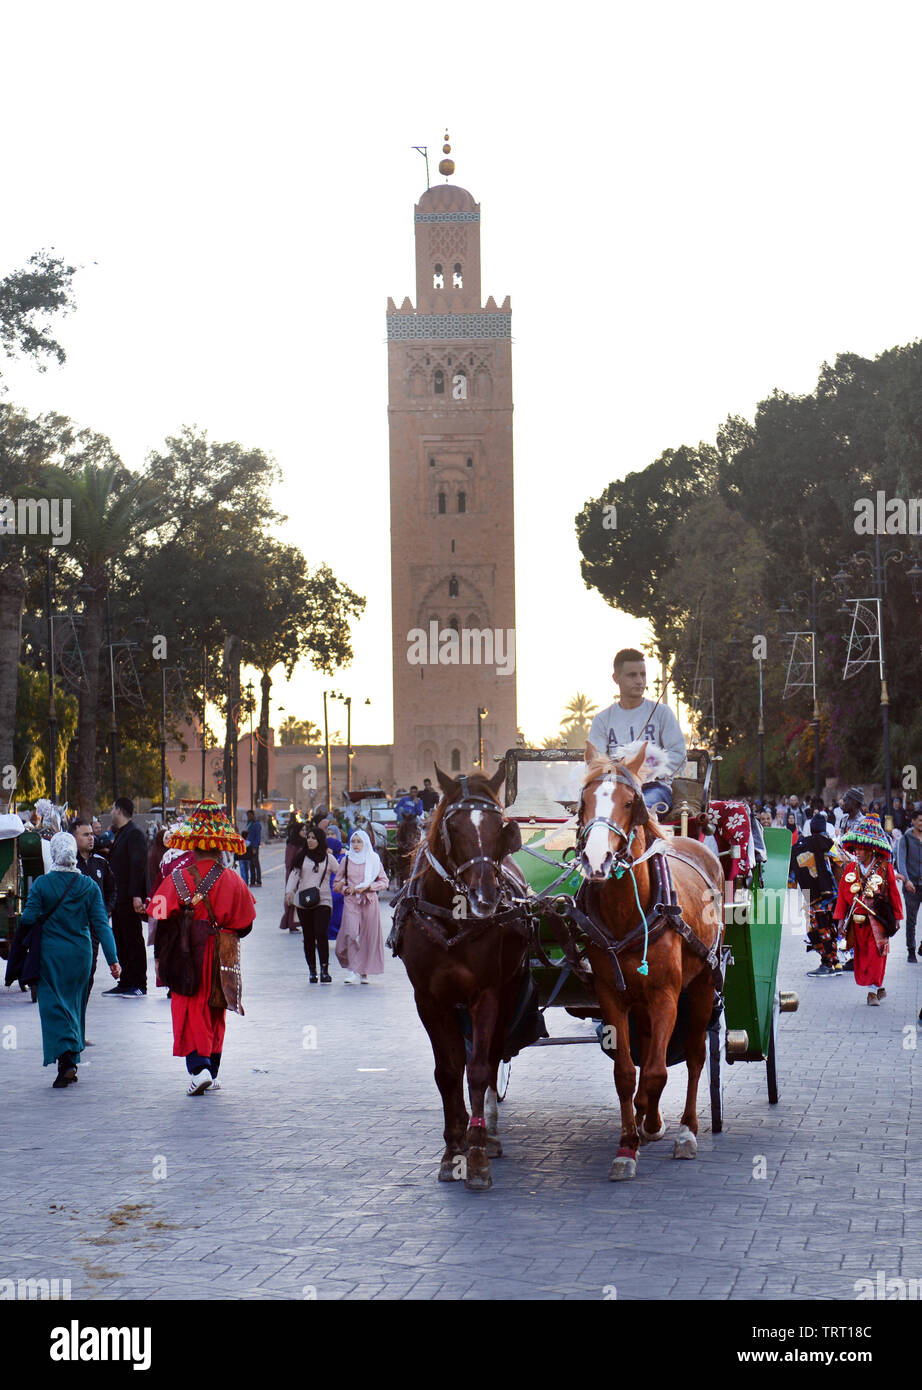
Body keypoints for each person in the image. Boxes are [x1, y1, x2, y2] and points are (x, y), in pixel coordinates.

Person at [150, 801, 256, 1094]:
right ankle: (212, 1068)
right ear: (221, 847)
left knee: (189, 1007)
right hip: (222, 952)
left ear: (192, 846)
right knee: (216, 1008)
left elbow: (158, 913)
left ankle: (199, 1069)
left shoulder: (176, 878)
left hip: (186, 951)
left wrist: (159, 956)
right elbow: (246, 924)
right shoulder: (233, 879)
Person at [5, 832, 120, 1087]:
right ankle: (71, 1058)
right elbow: (101, 924)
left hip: (51, 955)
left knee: (52, 1006)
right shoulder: (89, 886)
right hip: (81, 954)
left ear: (54, 854)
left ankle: (66, 1060)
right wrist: (113, 959)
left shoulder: (43, 885)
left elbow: (28, 918)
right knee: (74, 1005)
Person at [586, 648, 687, 815]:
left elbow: (678, 754)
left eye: (643, 674)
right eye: (632, 675)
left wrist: (649, 773)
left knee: (641, 809)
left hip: (654, 787)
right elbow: (596, 761)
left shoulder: (662, 713)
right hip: (614, 787)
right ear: (616, 678)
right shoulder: (602, 719)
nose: (640, 680)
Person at [833, 816, 903, 1006]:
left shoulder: (884, 868)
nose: (857, 851)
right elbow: (842, 897)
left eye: (861, 848)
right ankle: (877, 985)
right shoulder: (850, 868)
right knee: (863, 957)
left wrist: (897, 916)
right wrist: (840, 920)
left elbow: (893, 893)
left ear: (871, 849)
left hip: (878, 920)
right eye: (855, 847)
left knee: (877, 954)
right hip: (857, 923)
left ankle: (872, 992)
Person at [105, 797, 150, 997]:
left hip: (129, 898)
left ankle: (139, 983)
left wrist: (136, 895)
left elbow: (137, 866)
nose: (111, 812)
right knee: (120, 939)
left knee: (133, 940)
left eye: (113, 808)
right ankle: (126, 981)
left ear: (120, 811)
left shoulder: (134, 834)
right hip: (119, 899)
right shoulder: (122, 834)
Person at [333, 828, 387, 984]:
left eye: (359, 841)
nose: (356, 845)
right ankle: (352, 969)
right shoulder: (347, 860)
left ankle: (364, 971)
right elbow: (336, 883)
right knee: (351, 933)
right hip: (351, 901)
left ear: (366, 843)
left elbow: (384, 881)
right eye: (353, 841)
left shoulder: (374, 859)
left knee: (366, 936)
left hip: (369, 901)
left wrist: (369, 887)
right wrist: (345, 889)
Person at [285, 826, 338, 982]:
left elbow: (340, 872)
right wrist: (289, 892)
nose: (310, 840)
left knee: (321, 934)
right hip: (304, 902)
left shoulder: (329, 859)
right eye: (308, 837)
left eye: (314, 838)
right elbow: (294, 876)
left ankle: (324, 970)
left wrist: (342, 885)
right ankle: (312, 971)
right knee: (308, 937)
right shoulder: (301, 857)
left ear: (320, 840)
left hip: (324, 900)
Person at [792, 814, 842, 976]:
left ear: (812, 829)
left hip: (814, 896)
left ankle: (827, 963)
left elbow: (792, 876)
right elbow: (840, 859)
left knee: (817, 929)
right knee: (830, 928)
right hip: (831, 894)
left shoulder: (800, 846)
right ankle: (835, 962)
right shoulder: (828, 843)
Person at [73, 819, 115, 999]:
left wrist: (106, 911)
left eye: (91, 834)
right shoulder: (68, 865)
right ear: (73, 838)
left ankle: (82, 1001)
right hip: (74, 928)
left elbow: (112, 890)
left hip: (94, 928)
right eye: (85, 834)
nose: (91, 838)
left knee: (90, 968)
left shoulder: (100, 863)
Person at [895, 809, 922, 963]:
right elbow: (901, 861)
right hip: (912, 886)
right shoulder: (905, 839)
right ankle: (911, 950)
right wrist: (906, 881)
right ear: (913, 821)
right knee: (911, 920)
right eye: (919, 820)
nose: (921, 823)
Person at [278, 814, 304, 932]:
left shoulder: (305, 842)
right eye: (302, 830)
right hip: (293, 874)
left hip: (304, 875)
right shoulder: (292, 844)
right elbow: (288, 862)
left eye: (305, 830)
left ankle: (297, 922)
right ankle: (290, 922)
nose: (304, 832)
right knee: (291, 898)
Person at [245, 811, 262, 887]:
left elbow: (257, 837)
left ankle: (258, 881)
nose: (248, 817)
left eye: (249, 815)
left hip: (254, 846)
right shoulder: (249, 823)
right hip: (249, 846)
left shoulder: (256, 824)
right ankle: (252, 881)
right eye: (247, 816)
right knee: (251, 864)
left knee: (256, 864)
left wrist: (255, 847)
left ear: (253, 815)